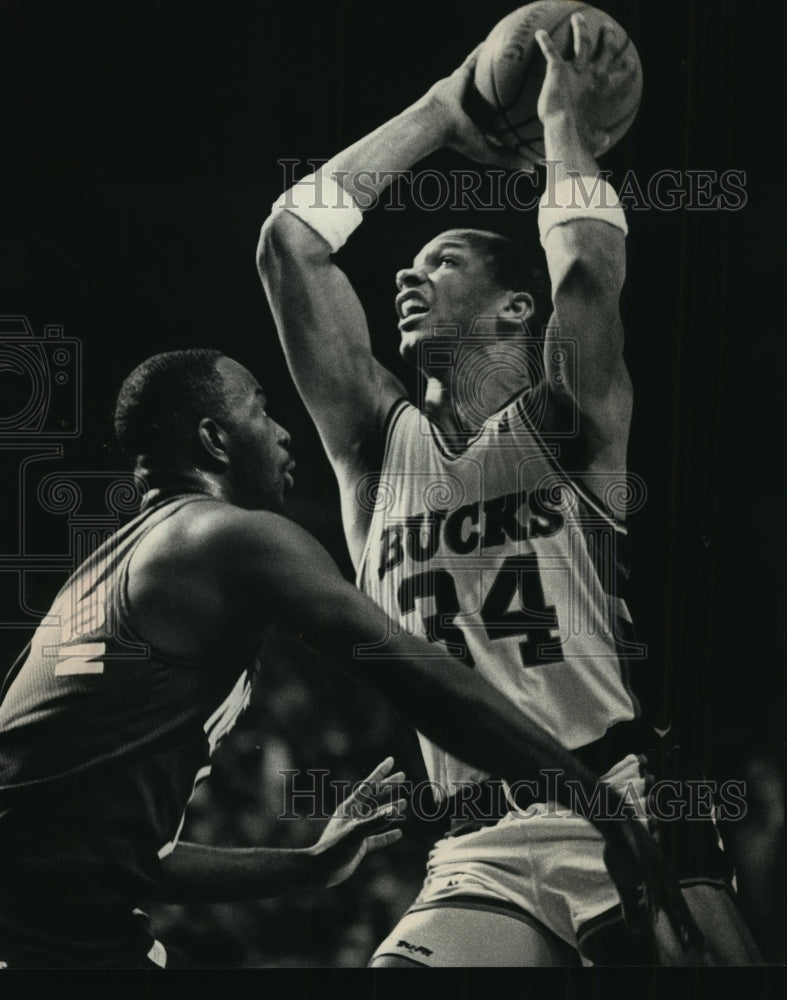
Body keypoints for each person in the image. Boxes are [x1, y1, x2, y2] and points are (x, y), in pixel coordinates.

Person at [258, 14, 760, 966]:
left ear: (512, 306)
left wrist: (564, 122)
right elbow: (290, 244)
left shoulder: (565, 420)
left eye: (441, 260)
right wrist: (440, 108)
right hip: (472, 842)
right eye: (409, 263)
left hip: (617, 798)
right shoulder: (373, 447)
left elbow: (586, 275)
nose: (408, 274)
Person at [0, 348, 690, 970]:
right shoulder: (229, 539)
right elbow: (413, 675)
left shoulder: (93, 579)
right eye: (261, 411)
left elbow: (115, 856)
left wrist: (308, 865)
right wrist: (593, 794)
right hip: (53, 947)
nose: (282, 432)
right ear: (213, 439)